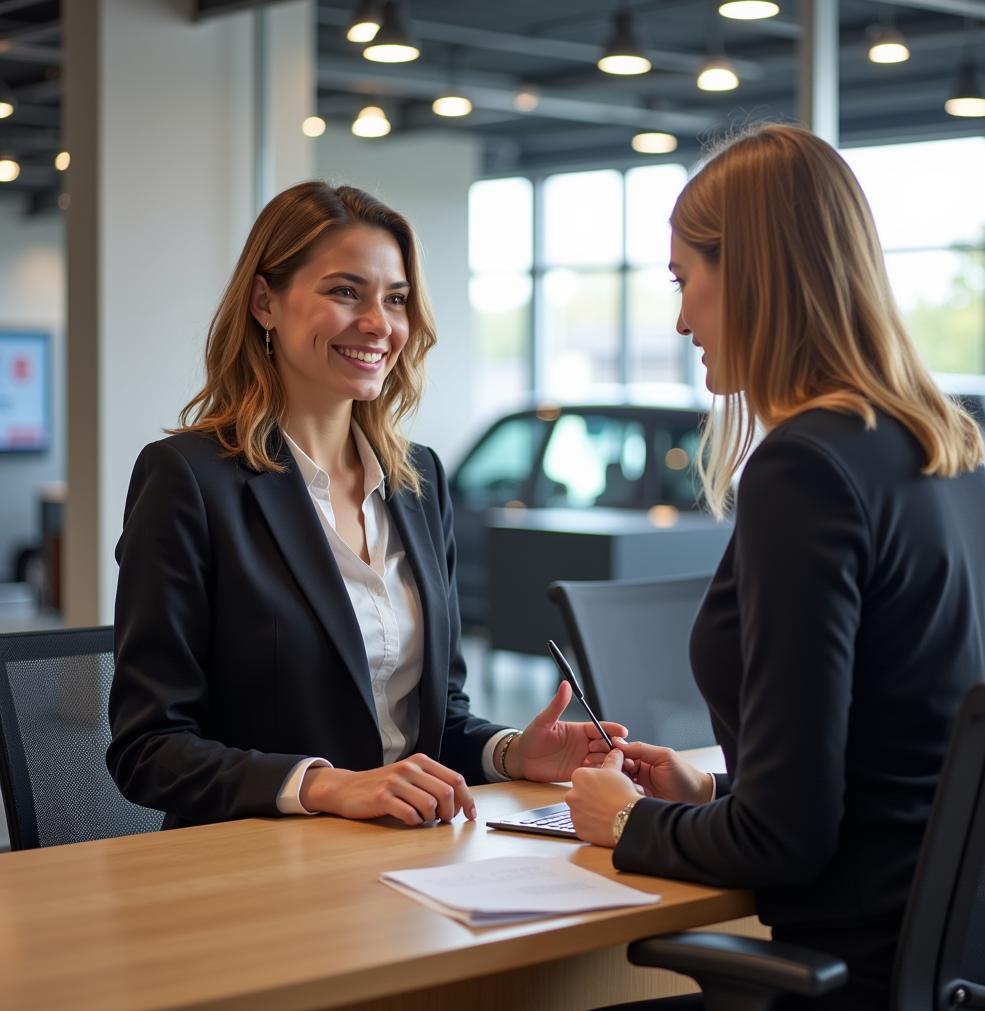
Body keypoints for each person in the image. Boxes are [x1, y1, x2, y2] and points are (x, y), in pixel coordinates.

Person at [564, 124, 985, 1011]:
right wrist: (714, 795)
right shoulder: (945, 457)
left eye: (685, 279)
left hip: (858, 983)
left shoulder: (805, 470)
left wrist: (628, 821)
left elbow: (786, 842)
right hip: (970, 977)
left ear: (755, 273)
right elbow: (897, 763)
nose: (682, 320)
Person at [107, 181, 624, 830]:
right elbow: (147, 749)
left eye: (396, 299)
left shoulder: (419, 482)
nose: (380, 323)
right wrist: (326, 786)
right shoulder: (189, 479)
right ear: (266, 301)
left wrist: (513, 752)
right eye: (345, 292)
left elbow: (435, 717)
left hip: (403, 858)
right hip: (258, 870)